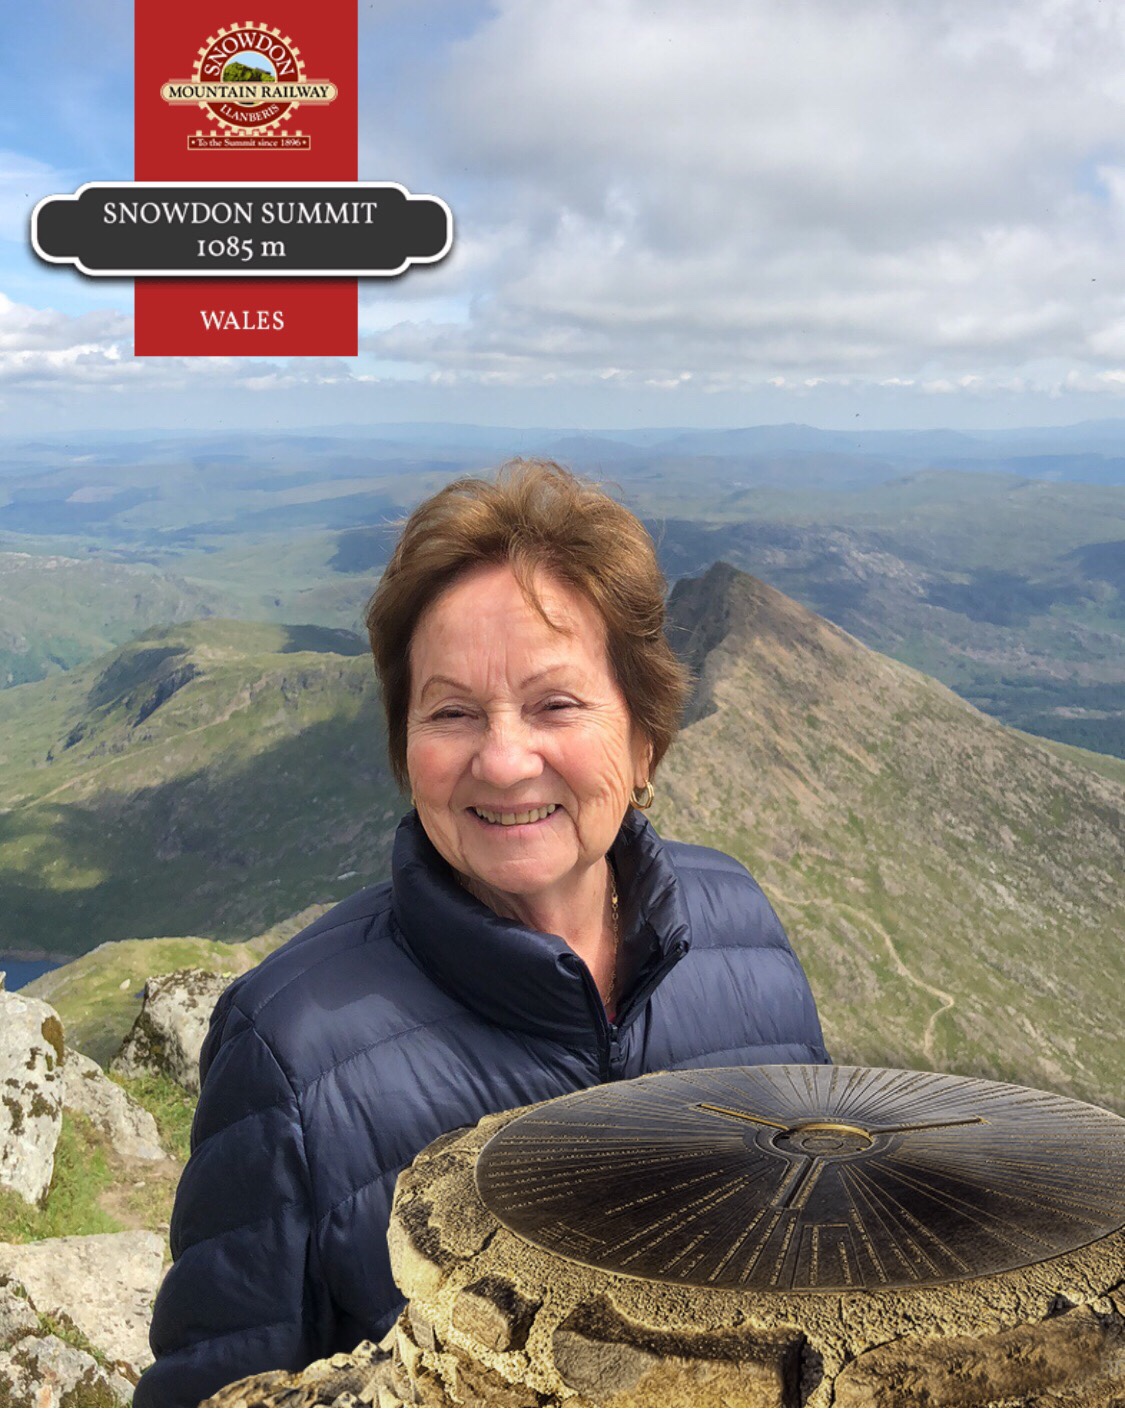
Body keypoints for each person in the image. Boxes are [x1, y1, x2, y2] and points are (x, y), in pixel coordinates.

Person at [134, 459, 828, 1408]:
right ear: (406, 747)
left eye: (555, 703)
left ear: (644, 738)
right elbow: (212, 1389)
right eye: (452, 711)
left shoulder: (744, 933)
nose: (502, 761)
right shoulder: (290, 1050)